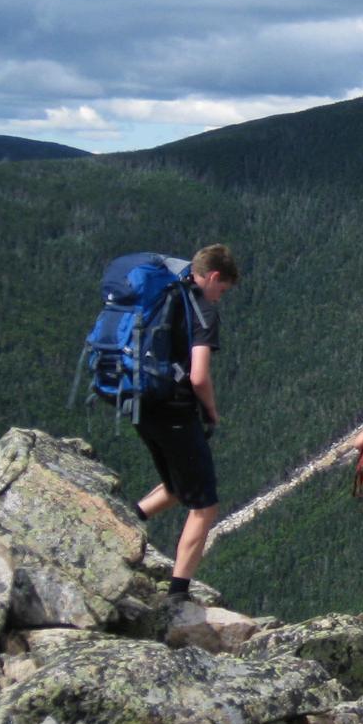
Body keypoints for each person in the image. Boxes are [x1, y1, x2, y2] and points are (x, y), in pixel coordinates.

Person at [132, 244, 239, 606]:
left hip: (139, 402)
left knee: (177, 485)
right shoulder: (200, 309)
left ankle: (122, 522)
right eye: (221, 289)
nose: (219, 298)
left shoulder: (165, 294)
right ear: (212, 277)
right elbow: (198, 376)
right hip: (174, 410)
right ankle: (178, 596)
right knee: (205, 506)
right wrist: (211, 411)